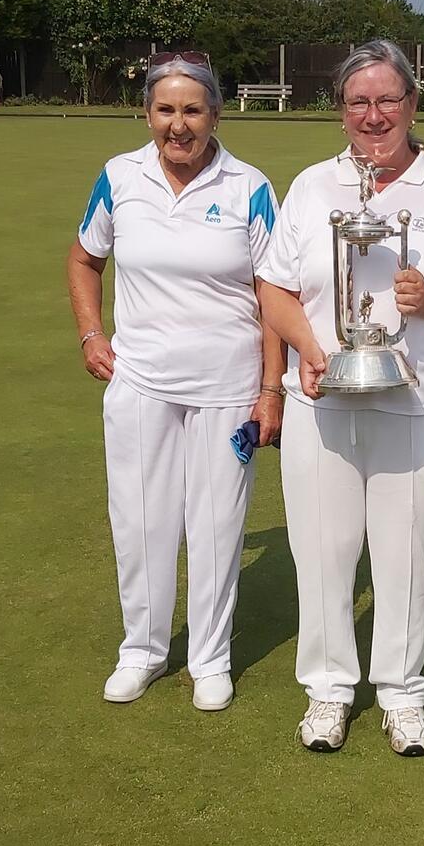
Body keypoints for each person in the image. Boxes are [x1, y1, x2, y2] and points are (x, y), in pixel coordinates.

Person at [257, 39, 424, 756]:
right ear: (341, 111)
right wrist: (307, 347)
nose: (374, 115)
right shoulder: (310, 187)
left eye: (387, 99)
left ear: (412, 105)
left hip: (417, 406)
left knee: (404, 556)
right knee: (323, 553)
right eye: (358, 102)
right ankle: (330, 692)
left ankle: (400, 694)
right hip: (322, 403)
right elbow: (272, 285)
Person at [67, 52, 285, 712]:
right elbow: (84, 258)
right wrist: (90, 332)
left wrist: (271, 388)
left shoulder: (248, 185)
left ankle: (210, 658)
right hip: (141, 382)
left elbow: (272, 290)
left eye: (192, 110)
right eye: (166, 109)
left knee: (217, 525)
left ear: (215, 115)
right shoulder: (119, 177)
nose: (179, 124)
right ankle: (143, 650)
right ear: (148, 113)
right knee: (139, 520)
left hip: (226, 387)